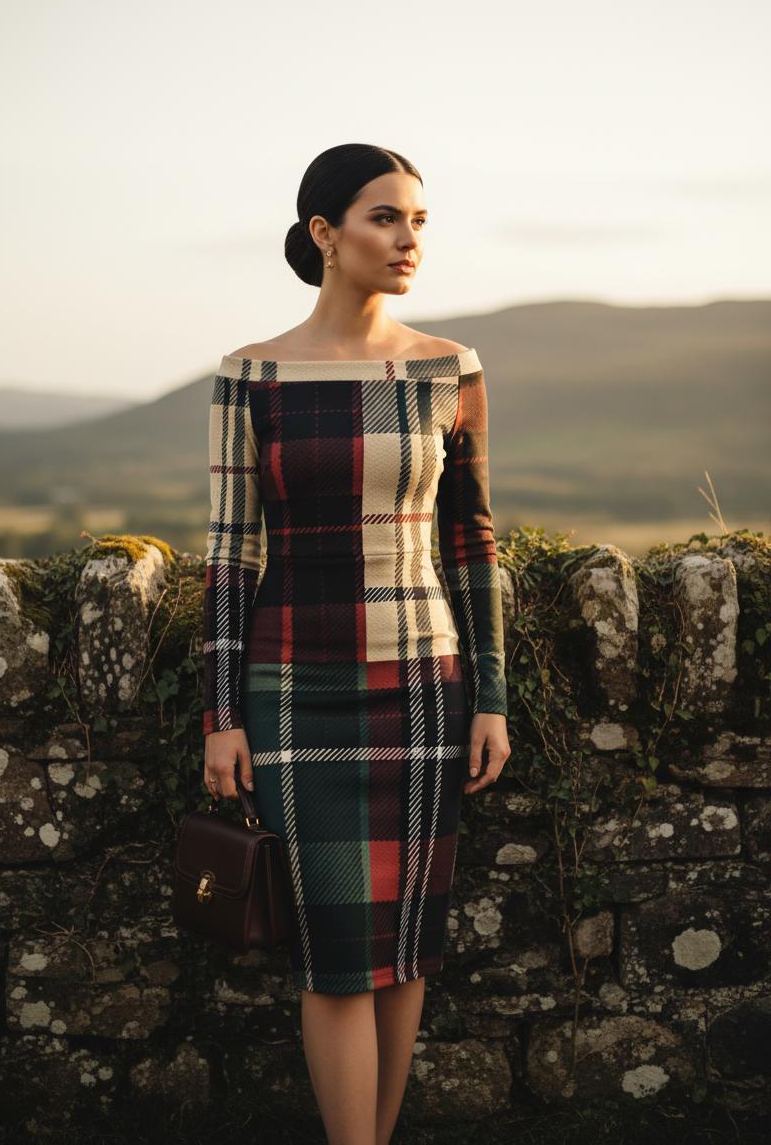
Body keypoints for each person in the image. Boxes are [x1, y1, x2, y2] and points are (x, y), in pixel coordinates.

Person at [202, 142, 510, 1144]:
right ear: (325, 234)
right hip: (293, 691)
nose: (408, 238)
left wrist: (492, 697)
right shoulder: (251, 374)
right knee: (333, 952)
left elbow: (470, 543)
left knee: (404, 949)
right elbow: (227, 556)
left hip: (424, 686)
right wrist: (222, 717)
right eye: (385, 218)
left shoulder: (447, 370)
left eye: (418, 220)